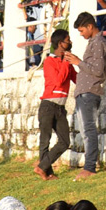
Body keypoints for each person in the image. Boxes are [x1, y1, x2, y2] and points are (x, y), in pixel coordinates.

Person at [67, 12, 106, 179]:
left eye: (82, 30)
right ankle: (89, 165)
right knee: (85, 129)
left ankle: (90, 167)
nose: (81, 33)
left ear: (90, 27)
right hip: (85, 91)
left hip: (89, 91)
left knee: (88, 129)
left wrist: (78, 62)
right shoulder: (94, 42)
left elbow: (98, 71)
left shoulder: (98, 43)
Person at [35, 30, 77, 180]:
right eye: (67, 40)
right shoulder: (50, 62)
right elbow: (59, 81)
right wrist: (66, 62)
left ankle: (41, 166)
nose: (70, 43)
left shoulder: (66, 62)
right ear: (60, 44)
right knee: (45, 141)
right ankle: (47, 172)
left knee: (65, 141)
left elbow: (76, 79)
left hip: (60, 107)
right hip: (48, 105)